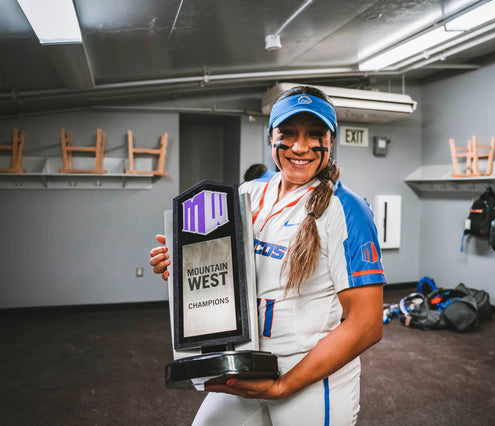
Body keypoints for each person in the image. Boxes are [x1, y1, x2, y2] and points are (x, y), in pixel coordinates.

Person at [149, 85, 385, 425]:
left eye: (315, 134)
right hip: (250, 362)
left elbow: (367, 324)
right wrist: (182, 268)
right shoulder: (249, 192)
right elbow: (225, 277)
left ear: (331, 141)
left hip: (313, 376)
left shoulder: (346, 209)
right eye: (287, 133)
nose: (300, 147)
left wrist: (286, 385)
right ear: (270, 137)